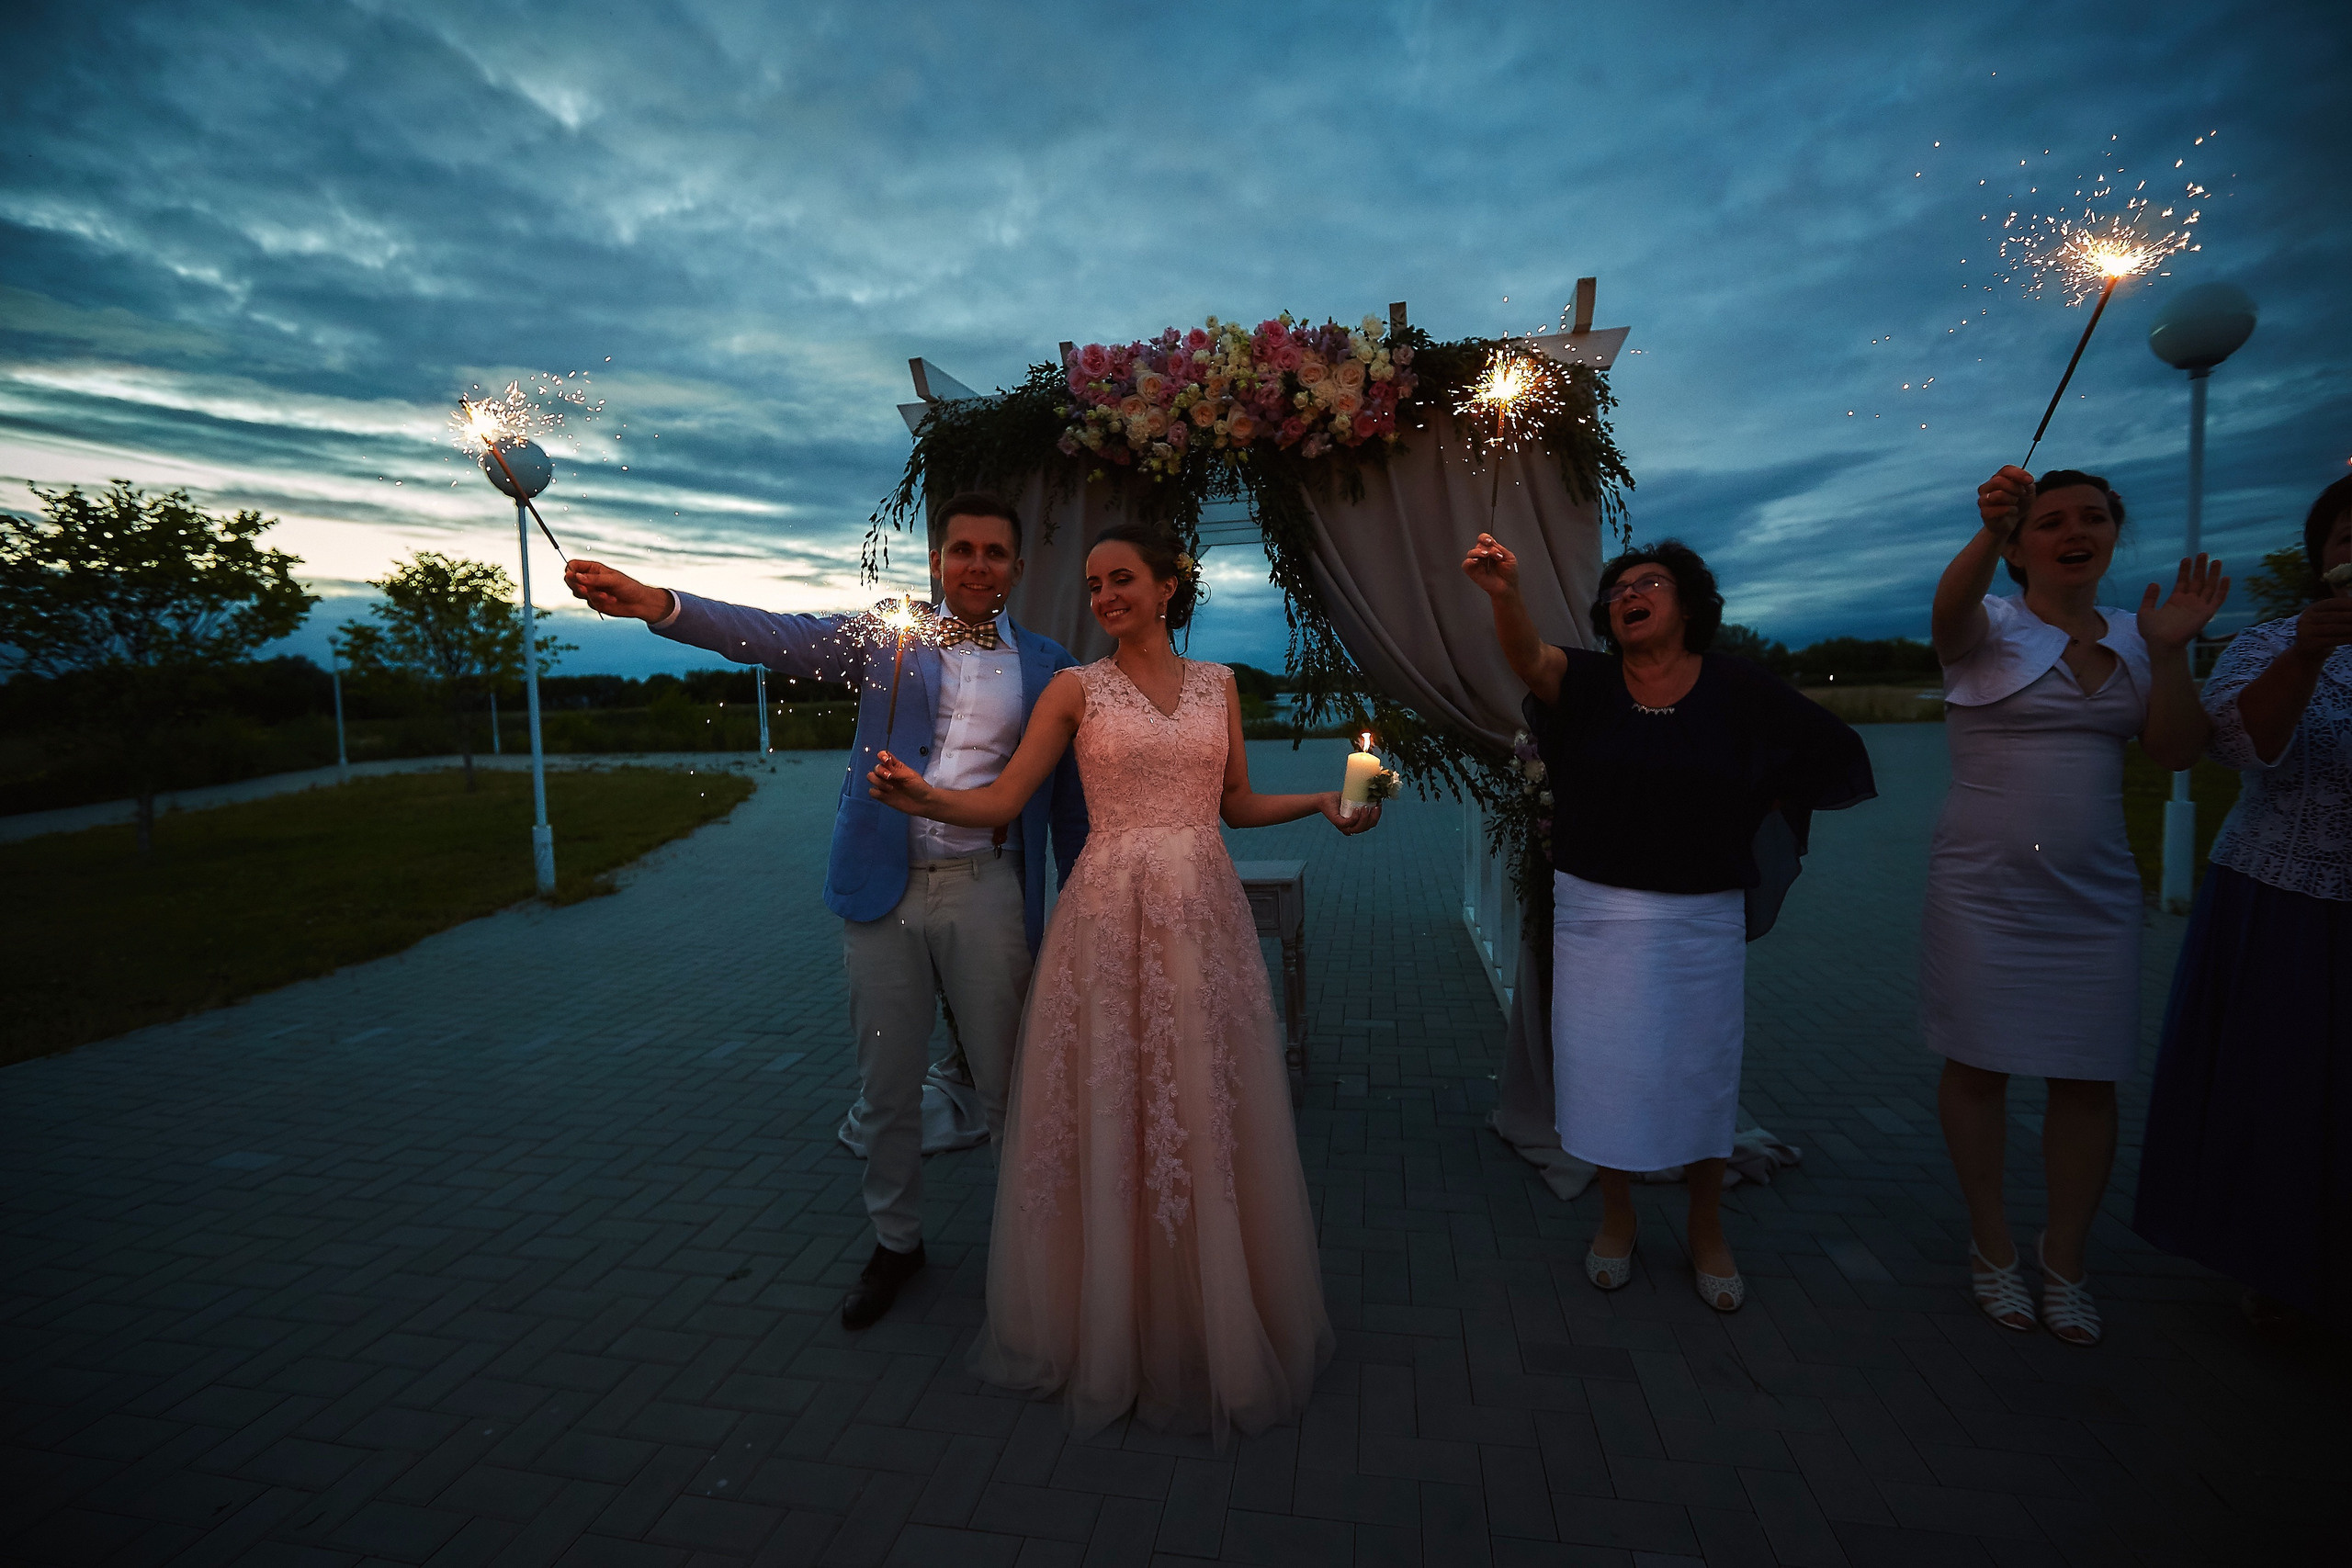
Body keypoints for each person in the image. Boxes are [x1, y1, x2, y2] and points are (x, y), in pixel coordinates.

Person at [865, 521, 1373, 1440]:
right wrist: (927, 798)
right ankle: (1104, 1314)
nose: (1104, 597)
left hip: (1202, 916)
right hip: (1106, 915)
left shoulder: (1219, 687)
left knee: (1199, 1099)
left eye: (1123, 579)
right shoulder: (1073, 690)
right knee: (1112, 1099)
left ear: (1169, 585)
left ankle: (1202, 1302)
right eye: (1094, 583)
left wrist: (1321, 803)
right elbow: (1005, 801)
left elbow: (1235, 805)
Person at [562, 491, 1089, 1331]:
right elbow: (774, 634)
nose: (977, 565)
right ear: (935, 562)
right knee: (885, 1084)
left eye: (995, 553)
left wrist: (1083, 903)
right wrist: (662, 605)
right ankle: (897, 1242)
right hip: (883, 888)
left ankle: (1032, 1252)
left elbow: (1068, 804)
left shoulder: (1054, 666)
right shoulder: (890, 637)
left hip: (991, 891)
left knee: (1008, 1083)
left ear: (1018, 569)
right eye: (961, 550)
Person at [1463, 534, 1873, 1313]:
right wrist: (1504, 593)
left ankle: (1706, 1226)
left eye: (1646, 583)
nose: (1627, 595)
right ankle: (1617, 1220)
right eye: (1616, 588)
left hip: (1700, 918)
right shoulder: (1586, 684)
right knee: (1606, 1074)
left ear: (1688, 603)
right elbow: (1527, 658)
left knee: (1698, 1072)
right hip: (1598, 912)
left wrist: (1758, 806)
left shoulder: (1737, 688)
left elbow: (1825, 749)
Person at [1923, 466, 2227, 1346]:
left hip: (2093, 894)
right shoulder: (1988, 626)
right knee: (1978, 1068)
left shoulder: (2142, 635)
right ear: (2020, 547)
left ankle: (2066, 1259)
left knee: (2088, 1078)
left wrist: (2170, 654)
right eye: (2049, 521)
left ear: (2112, 536)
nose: (2074, 531)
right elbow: (1947, 612)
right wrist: (1985, 526)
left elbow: (2174, 752)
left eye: (2092, 518)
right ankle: (1992, 1246)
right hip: (1983, 889)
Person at [2135, 475, 2352, 1334]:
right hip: (2285, 900)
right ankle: (2276, 1264)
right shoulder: (2276, 643)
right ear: (2323, 557)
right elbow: (2244, 750)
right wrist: (2306, 653)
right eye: (2345, 537)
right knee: (2287, 1087)